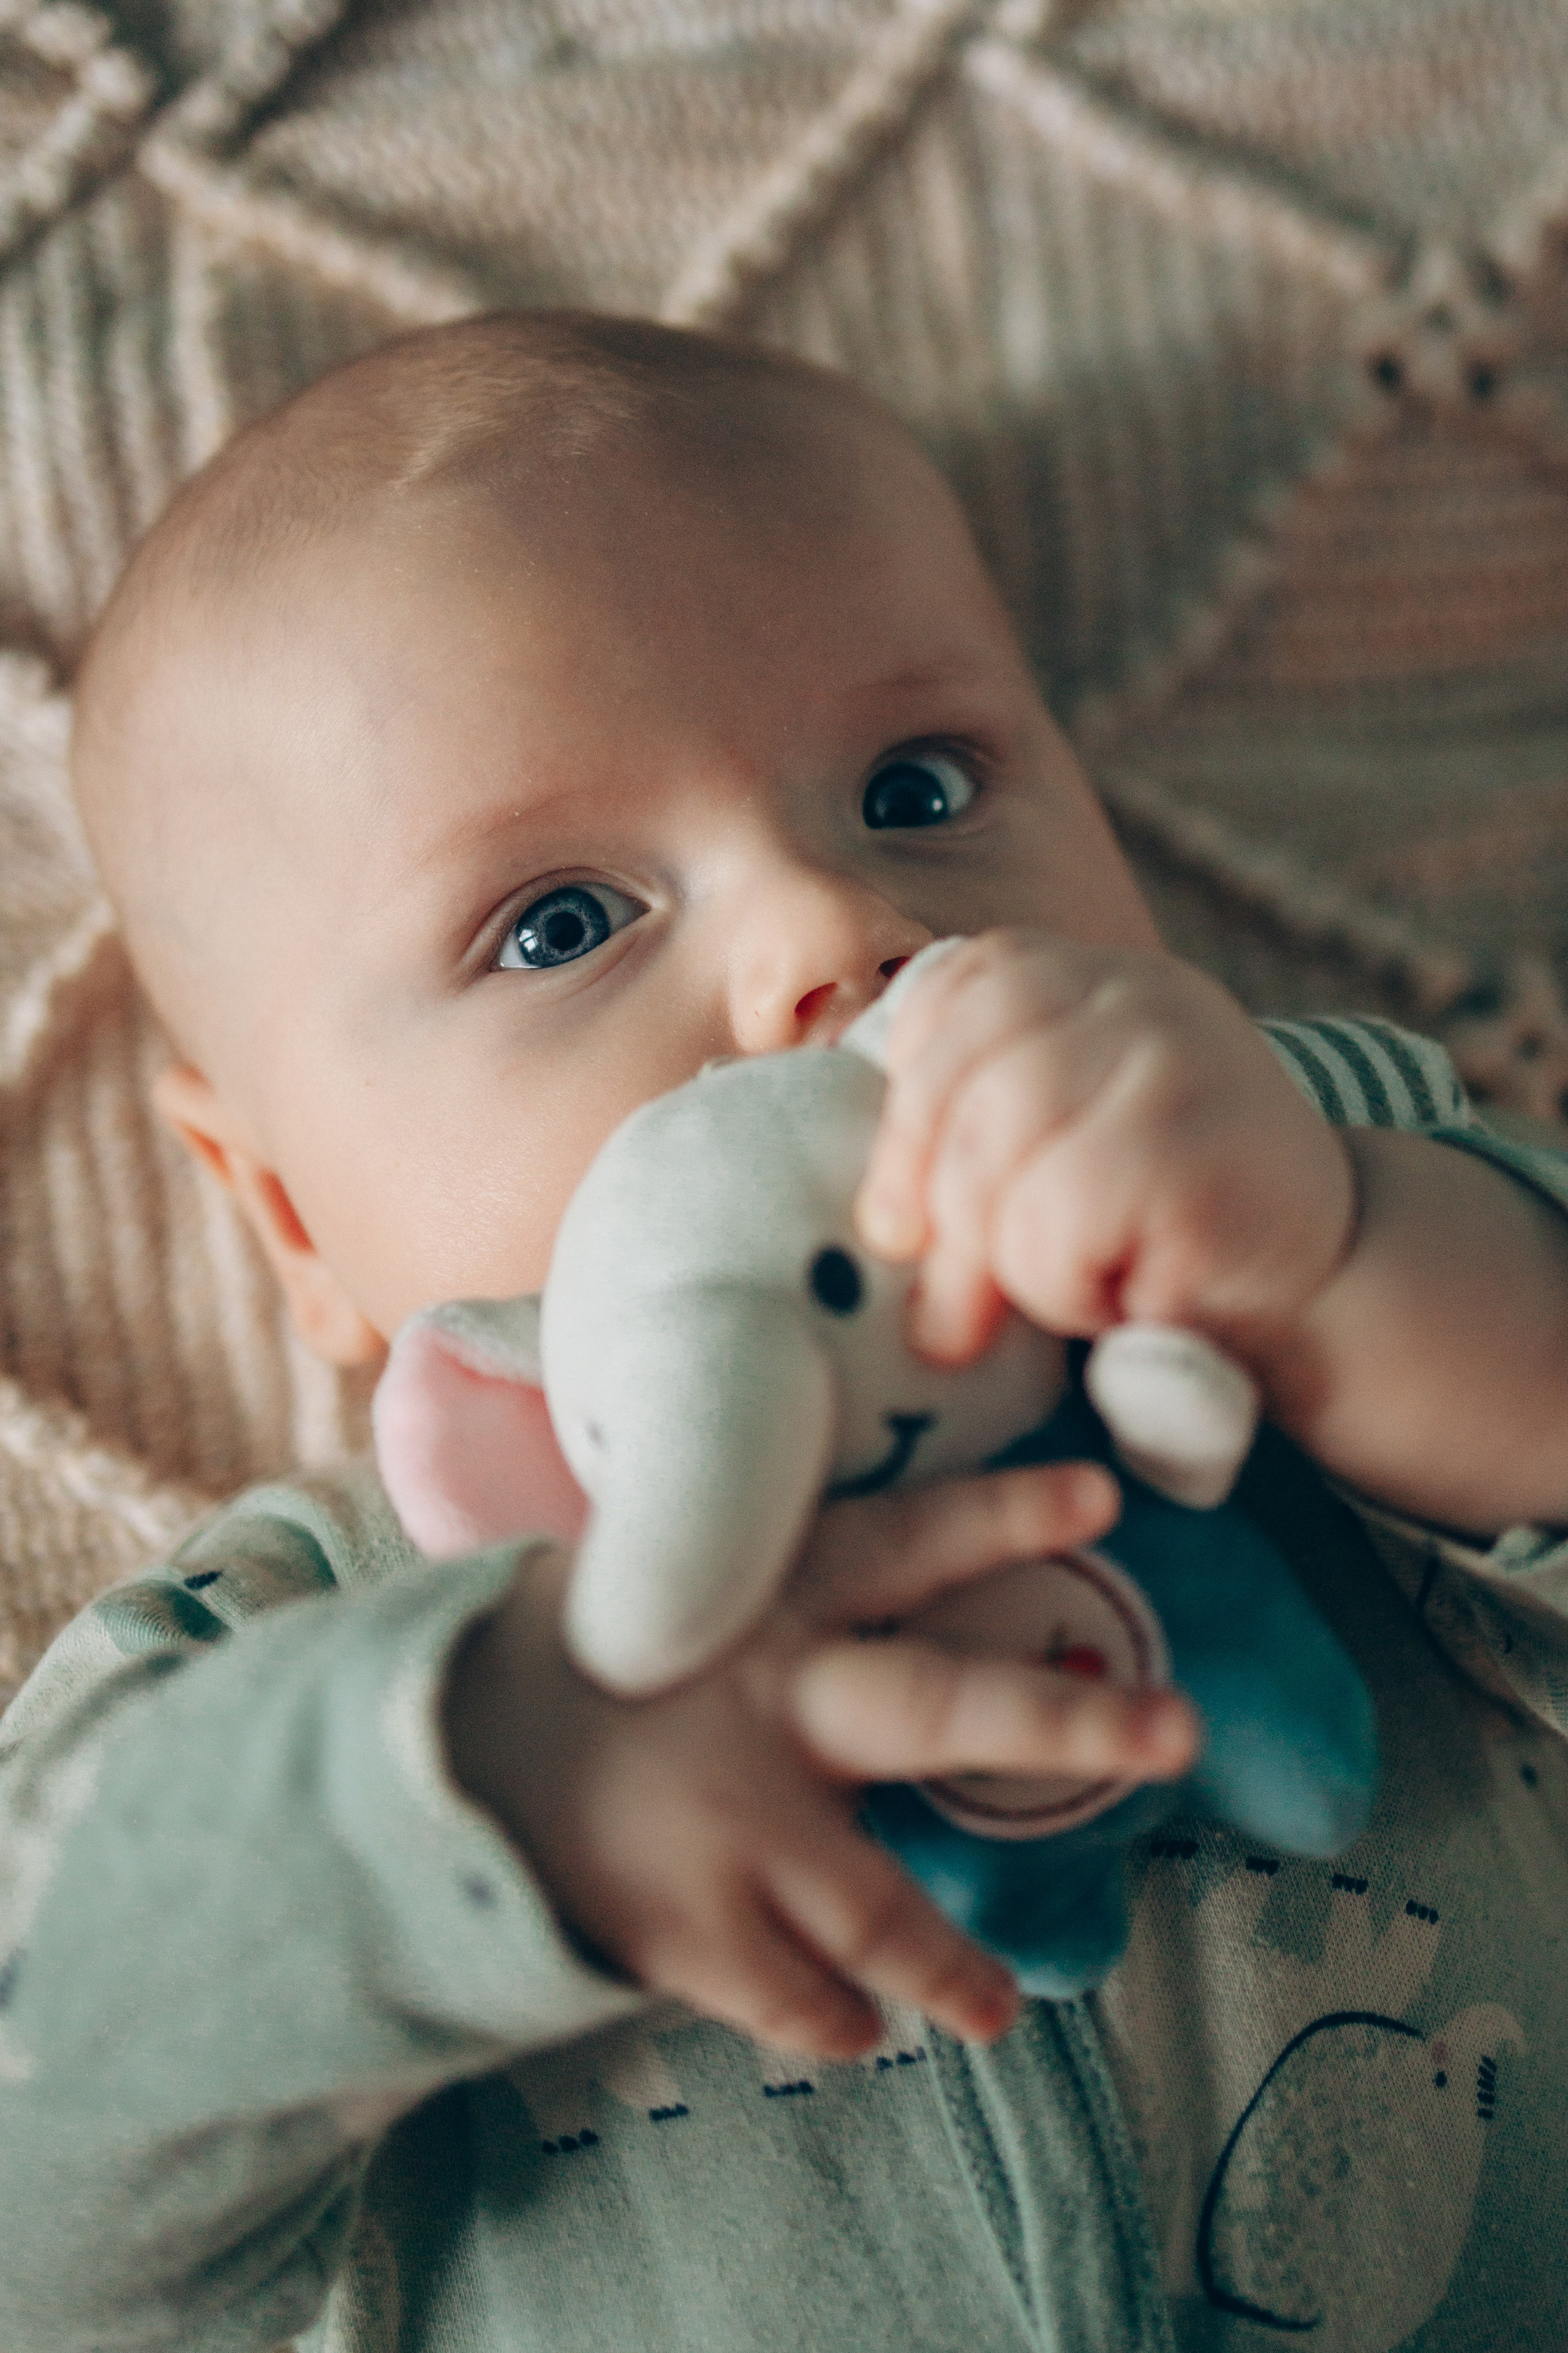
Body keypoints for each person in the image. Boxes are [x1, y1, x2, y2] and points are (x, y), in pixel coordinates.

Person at [2, 311, 1566, 2353]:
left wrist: (1347, 1252)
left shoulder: (1309, 1358)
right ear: (295, 1216)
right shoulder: (266, 1660)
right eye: (560, 920)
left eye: (918, 787)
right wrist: (480, 1790)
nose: (833, 930)